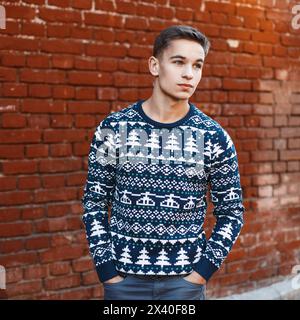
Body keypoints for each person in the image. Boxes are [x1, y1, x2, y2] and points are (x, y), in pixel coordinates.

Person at [81, 25, 245, 300]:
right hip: (124, 283)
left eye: (197, 65)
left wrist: (199, 275)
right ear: (155, 66)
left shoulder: (213, 137)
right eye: (179, 62)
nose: (189, 74)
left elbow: (232, 213)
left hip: (184, 284)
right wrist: (108, 272)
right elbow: (94, 203)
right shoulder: (114, 129)